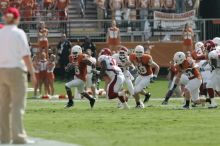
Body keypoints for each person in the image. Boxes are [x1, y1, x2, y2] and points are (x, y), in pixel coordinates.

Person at [0, 7, 36, 144]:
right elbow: (25, 55)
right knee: (17, 105)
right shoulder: (19, 33)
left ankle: (4, 137)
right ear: (16, 18)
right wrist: (32, 73)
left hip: (1, 71)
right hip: (15, 70)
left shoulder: (1, 32)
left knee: (3, 106)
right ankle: (18, 136)